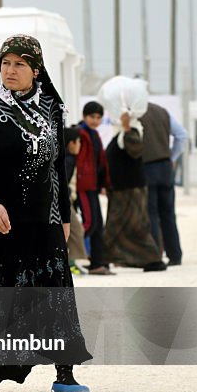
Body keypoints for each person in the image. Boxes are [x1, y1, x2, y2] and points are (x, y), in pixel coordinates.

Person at [0, 34, 92, 392]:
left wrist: (63, 217)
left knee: (53, 292)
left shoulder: (52, 108)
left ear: (35, 69)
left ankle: (65, 375)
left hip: (41, 219)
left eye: (19, 64)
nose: (10, 70)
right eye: (5, 63)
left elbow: (58, 167)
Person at [104, 110, 166, 272]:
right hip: (122, 189)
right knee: (121, 226)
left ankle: (152, 259)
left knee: (133, 225)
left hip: (130, 190)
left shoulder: (132, 134)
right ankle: (118, 258)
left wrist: (127, 127)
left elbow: (136, 149)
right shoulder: (120, 136)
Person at [139, 101, 186, 266]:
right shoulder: (162, 112)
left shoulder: (134, 114)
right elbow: (181, 135)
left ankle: (155, 254)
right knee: (168, 213)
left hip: (146, 167)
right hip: (165, 167)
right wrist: (172, 158)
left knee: (151, 214)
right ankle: (175, 255)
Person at [76, 101, 113, 275]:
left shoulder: (94, 134)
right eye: (92, 117)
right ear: (85, 116)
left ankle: (97, 263)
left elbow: (101, 162)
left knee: (98, 225)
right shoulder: (80, 133)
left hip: (93, 186)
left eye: (98, 117)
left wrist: (104, 184)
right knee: (89, 223)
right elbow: (78, 162)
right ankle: (68, 254)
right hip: (82, 185)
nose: (95, 120)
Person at [62, 128, 88, 274]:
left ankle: (70, 261)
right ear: (71, 144)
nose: (79, 145)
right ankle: (70, 263)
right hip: (62, 200)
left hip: (64, 199)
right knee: (76, 229)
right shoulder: (68, 160)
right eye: (78, 142)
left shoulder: (67, 158)